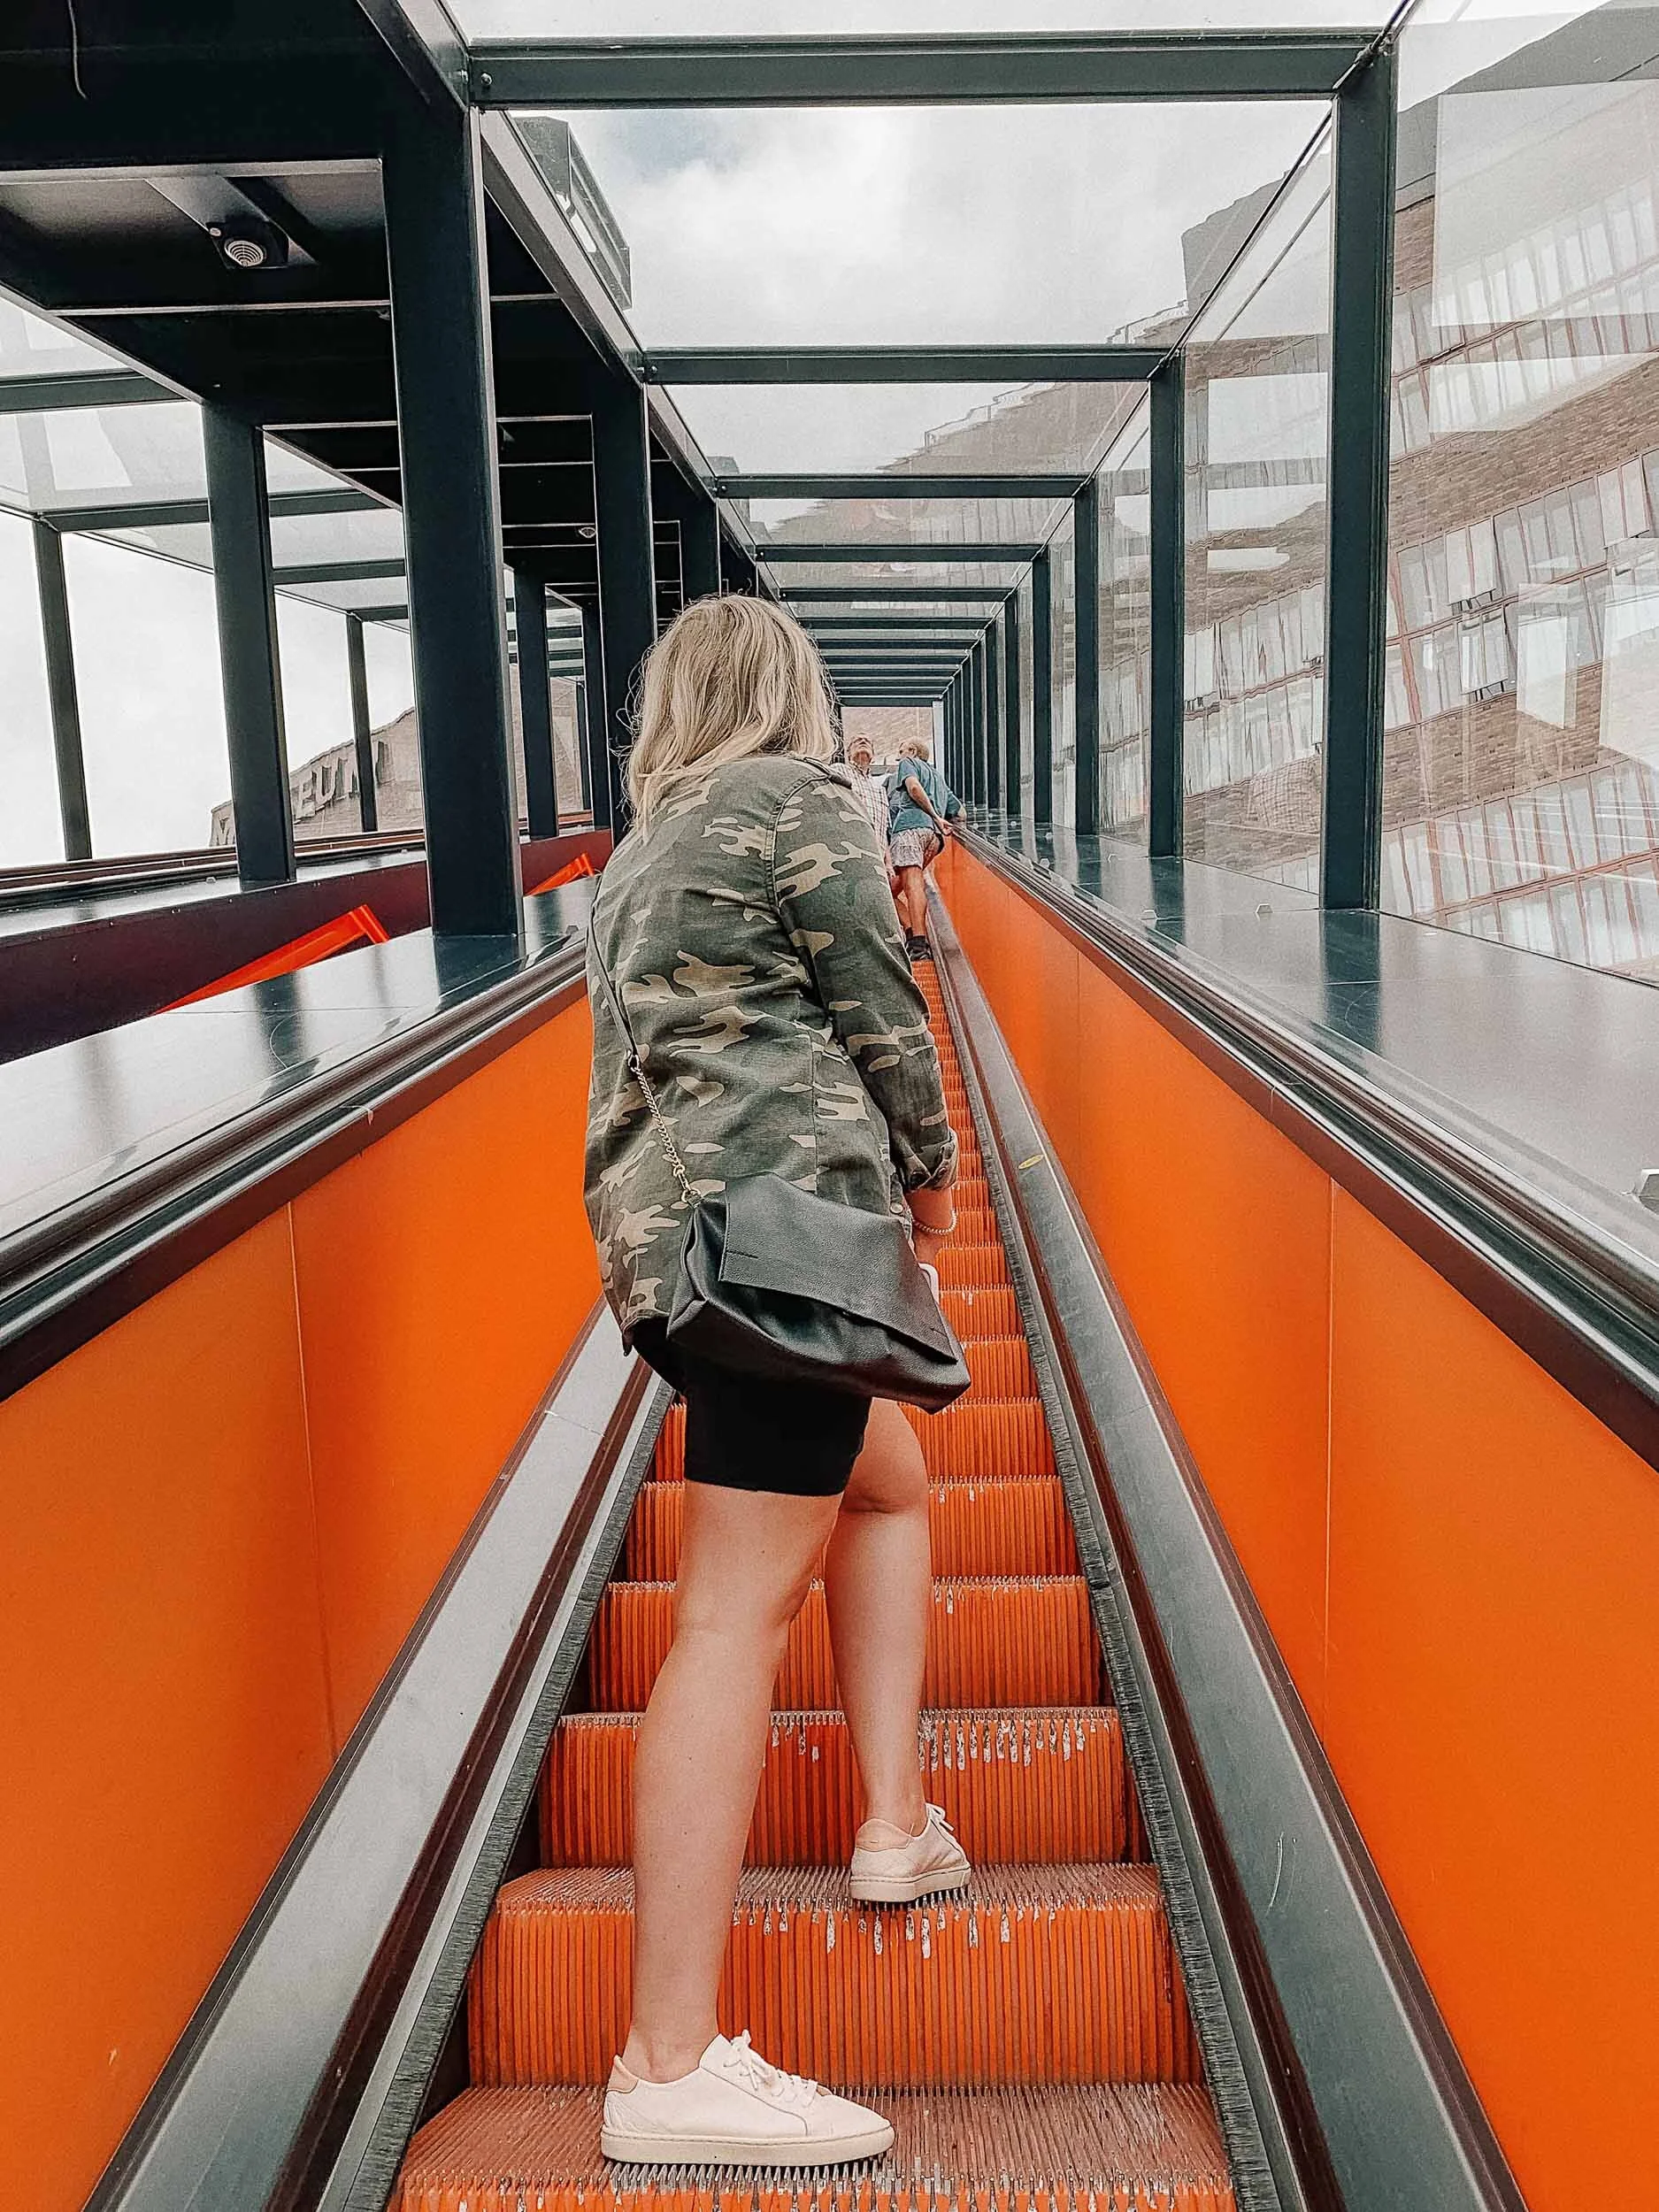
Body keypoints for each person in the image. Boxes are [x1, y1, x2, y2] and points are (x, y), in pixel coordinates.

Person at [584, 595, 966, 2169]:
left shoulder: (640, 854)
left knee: (893, 1482)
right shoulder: (794, 799)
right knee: (732, 1615)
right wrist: (930, 1184)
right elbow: (879, 997)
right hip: (791, 1238)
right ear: (788, 692)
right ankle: (666, 2063)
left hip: (689, 1257)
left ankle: (894, 1824)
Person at [886, 735, 962, 961]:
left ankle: (918, 945)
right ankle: (911, 930)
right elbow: (960, 812)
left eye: (901, 751)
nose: (899, 756)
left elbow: (913, 788)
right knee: (888, 892)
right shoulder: (938, 777)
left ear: (912, 751)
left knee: (913, 886)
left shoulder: (909, 763)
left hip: (910, 827)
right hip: (934, 839)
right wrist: (940, 819)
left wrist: (935, 816)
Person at [844, 729, 891, 851]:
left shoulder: (880, 789)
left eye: (867, 741)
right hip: (850, 849)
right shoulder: (839, 771)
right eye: (858, 740)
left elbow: (883, 831)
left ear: (873, 755)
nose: (863, 741)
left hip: (876, 855)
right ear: (848, 753)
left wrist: (888, 861)